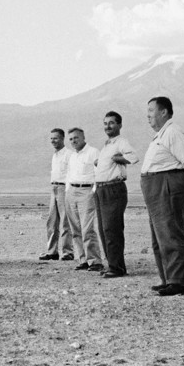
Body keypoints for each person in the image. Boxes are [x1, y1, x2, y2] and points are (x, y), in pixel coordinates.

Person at [140, 96, 184, 296]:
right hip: (156, 188)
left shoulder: (173, 132)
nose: (148, 115)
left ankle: (178, 282)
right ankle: (168, 279)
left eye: (151, 110)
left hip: (166, 187)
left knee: (170, 233)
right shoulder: (161, 134)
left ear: (164, 112)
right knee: (159, 237)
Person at [94, 111, 139, 278]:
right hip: (100, 189)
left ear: (119, 125)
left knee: (112, 229)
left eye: (112, 123)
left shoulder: (121, 141)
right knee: (103, 229)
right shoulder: (107, 144)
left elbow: (133, 157)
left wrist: (119, 159)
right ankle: (111, 264)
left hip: (114, 189)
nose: (108, 126)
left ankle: (117, 268)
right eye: (105, 123)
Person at [65, 127, 104, 272]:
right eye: (70, 139)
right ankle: (83, 260)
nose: (73, 141)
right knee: (75, 229)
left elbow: (99, 172)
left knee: (87, 228)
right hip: (71, 192)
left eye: (76, 138)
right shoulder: (72, 156)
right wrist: (68, 190)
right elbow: (69, 174)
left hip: (86, 191)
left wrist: (93, 191)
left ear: (83, 137)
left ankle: (95, 261)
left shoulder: (93, 152)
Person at [39, 128, 74, 262]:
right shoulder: (55, 155)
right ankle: (52, 251)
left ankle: (67, 252)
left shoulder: (69, 155)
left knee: (65, 221)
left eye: (56, 138)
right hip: (53, 188)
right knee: (52, 221)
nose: (53, 141)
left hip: (64, 188)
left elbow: (72, 173)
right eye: (51, 138)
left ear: (62, 139)